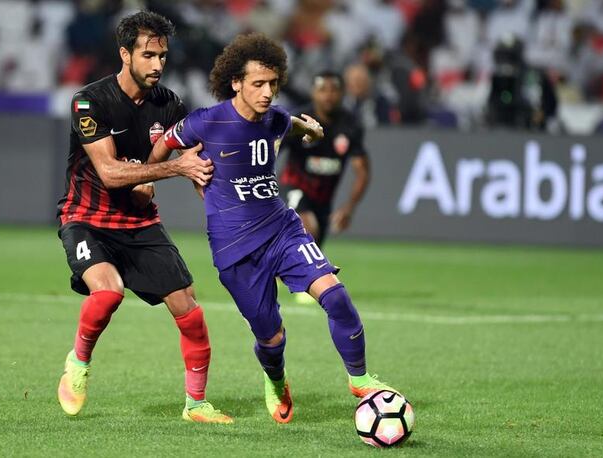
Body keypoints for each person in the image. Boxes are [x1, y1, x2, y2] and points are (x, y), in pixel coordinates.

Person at [149, 33, 399, 424]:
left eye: (273, 84)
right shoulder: (206, 122)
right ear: (236, 82)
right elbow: (163, 146)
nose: (267, 93)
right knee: (272, 337)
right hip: (235, 249)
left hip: (283, 229)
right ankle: (276, 378)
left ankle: (361, 379)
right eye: (258, 84)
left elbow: (294, 124)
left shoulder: (277, 118)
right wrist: (175, 171)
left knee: (335, 297)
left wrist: (313, 131)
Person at [56, 11, 231, 424]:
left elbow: (179, 160)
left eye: (163, 56)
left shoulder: (170, 105)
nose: (157, 65)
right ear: (125, 54)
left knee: (189, 310)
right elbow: (112, 173)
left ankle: (196, 404)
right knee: (109, 292)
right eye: (148, 55)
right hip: (87, 217)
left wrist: (208, 191)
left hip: (138, 222)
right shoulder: (89, 101)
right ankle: (78, 364)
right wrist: (172, 169)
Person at [280, 71, 370, 248]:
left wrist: (349, 208)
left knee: (309, 257)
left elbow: (362, 171)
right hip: (293, 188)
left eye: (334, 90)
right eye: (322, 90)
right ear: (313, 92)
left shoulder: (350, 125)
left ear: (343, 93)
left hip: (322, 202)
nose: (328, 95)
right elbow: (271, 150)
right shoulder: (299, 121)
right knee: (307, 229)